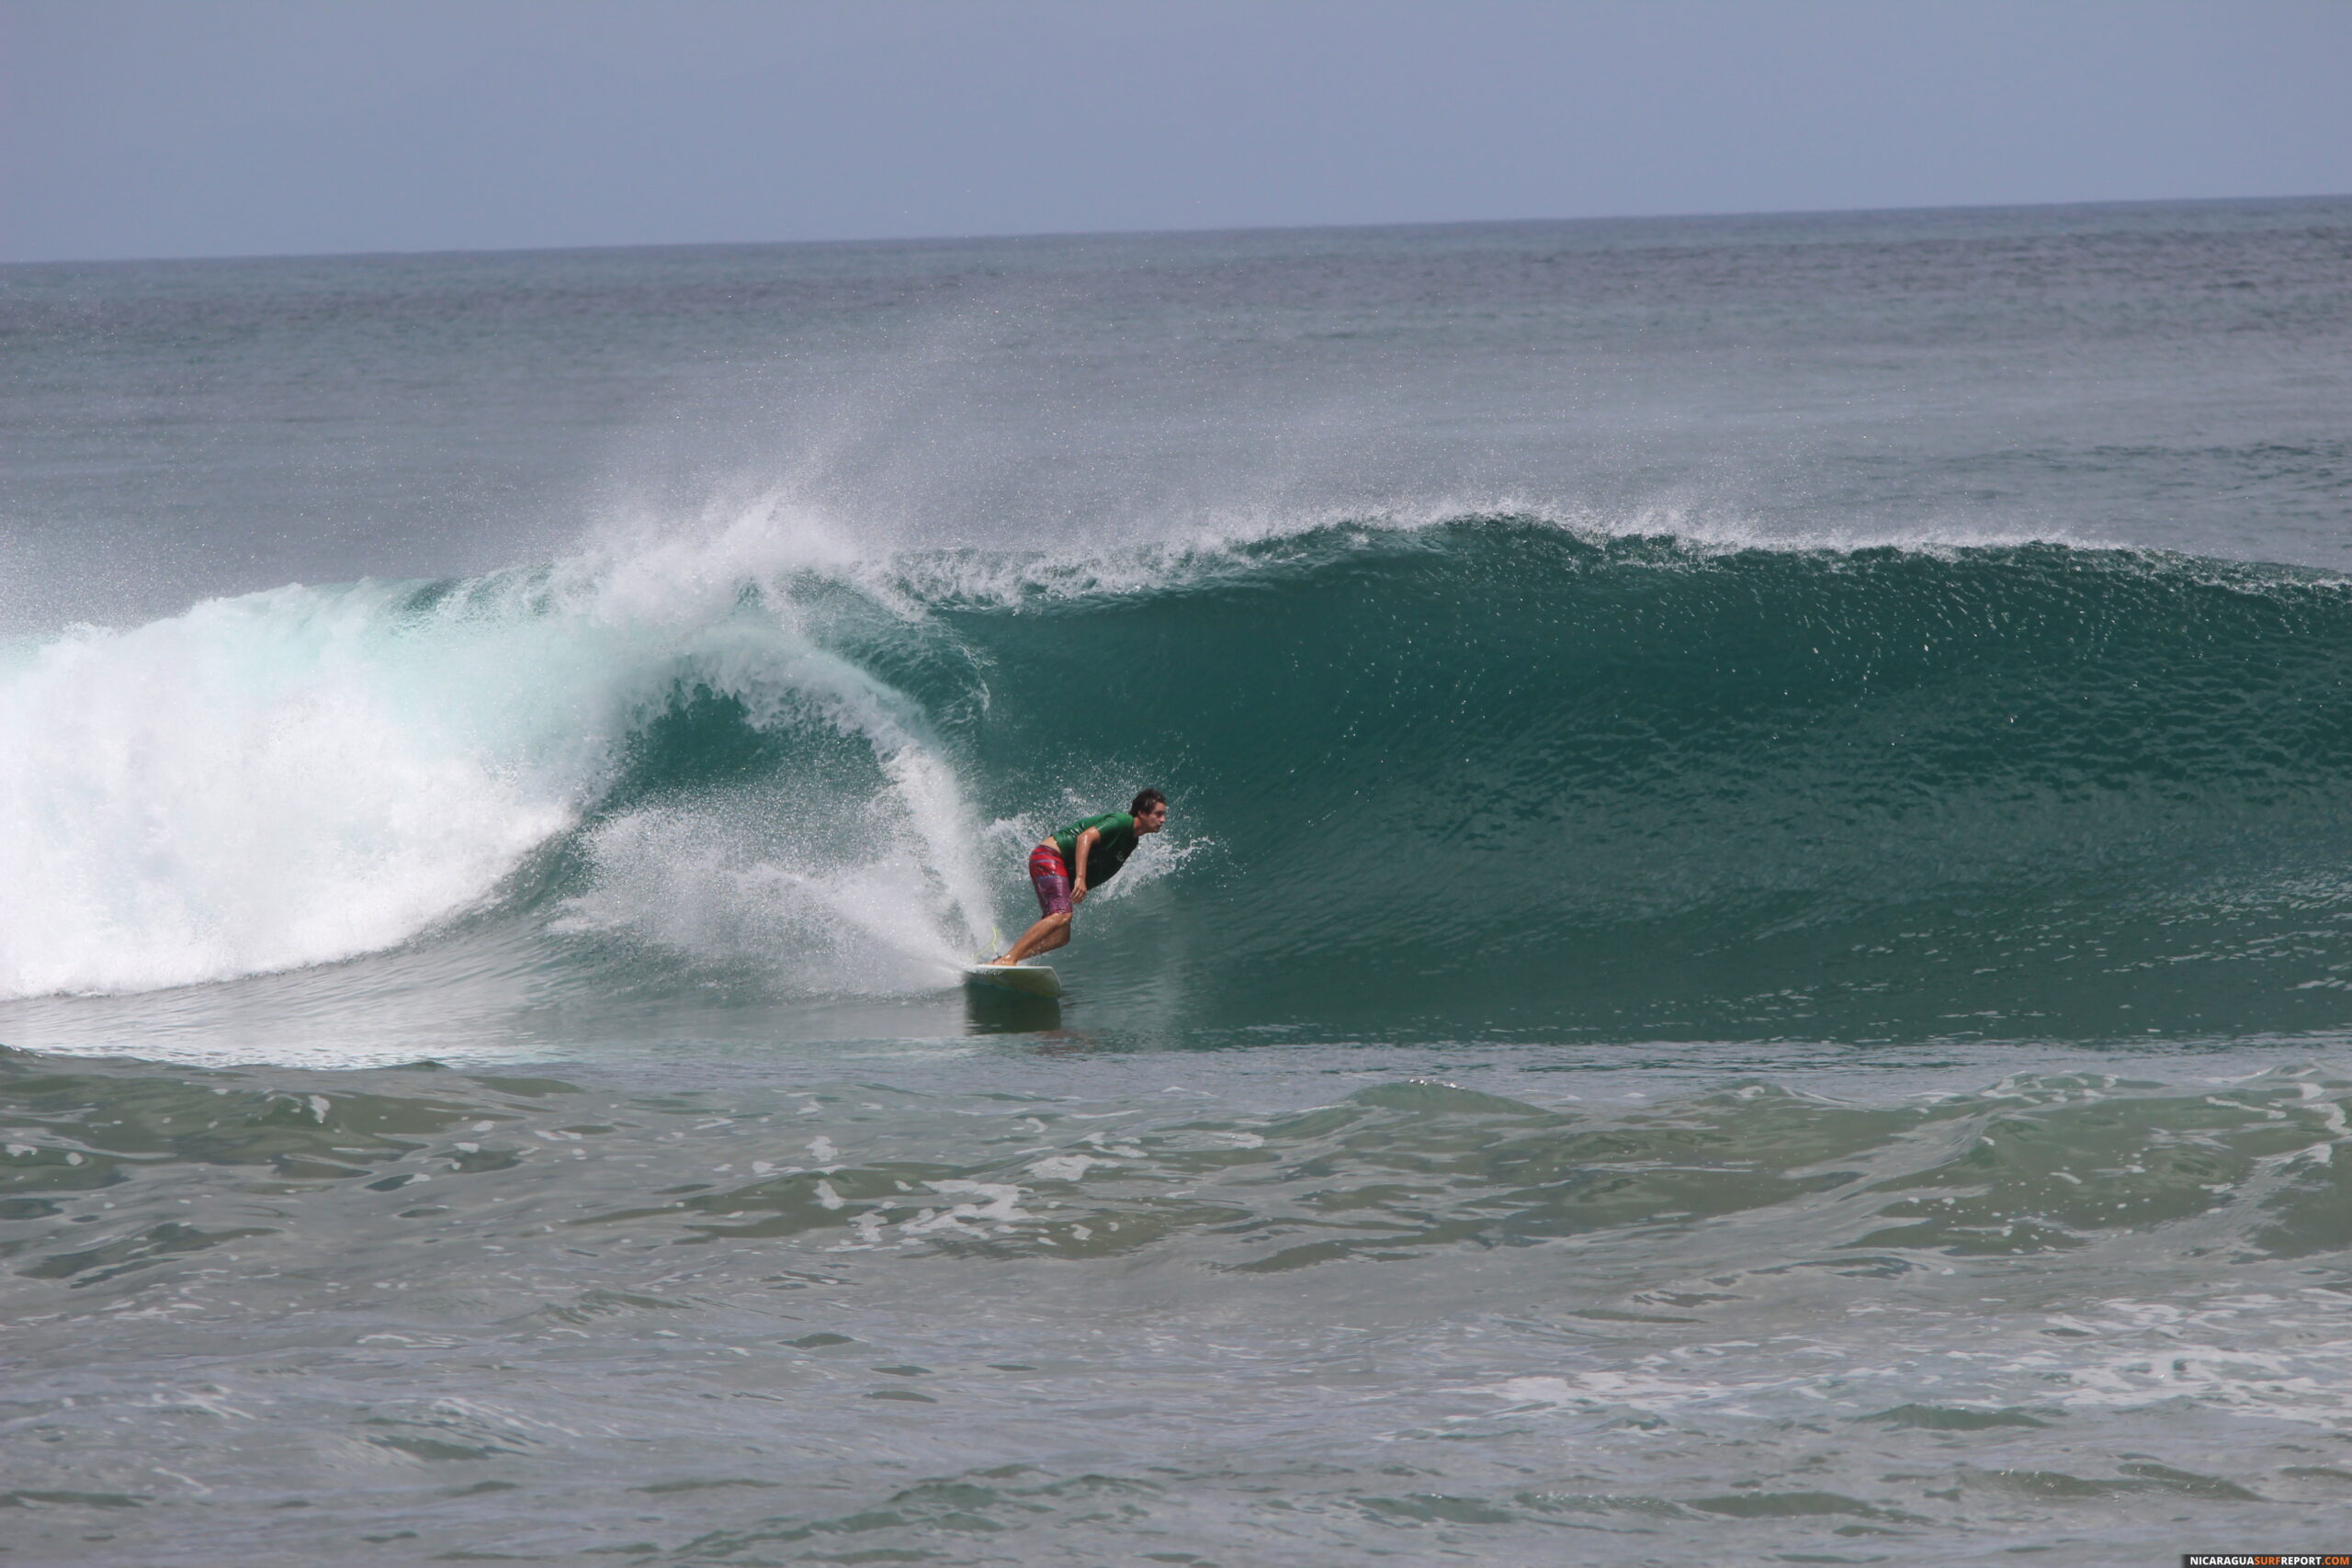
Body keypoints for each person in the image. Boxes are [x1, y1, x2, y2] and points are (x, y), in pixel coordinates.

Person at [988, 789, 1168, 965]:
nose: (1163, 820)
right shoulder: (1122, 822)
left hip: (1059, 867)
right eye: (1158, 814)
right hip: (1049, 856)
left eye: (1163, 815)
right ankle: (1009, 959)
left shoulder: (1132, 840)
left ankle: (1009, 958)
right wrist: (1080, 878)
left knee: (1061, 937)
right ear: (1142, 813)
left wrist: (1080, 885)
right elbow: (1085, 838)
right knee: (1061, 915)